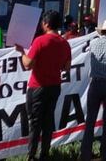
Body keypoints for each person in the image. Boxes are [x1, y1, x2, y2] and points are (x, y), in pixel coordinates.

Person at [16, 11, 71, 161]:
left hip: (37, 87)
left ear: (46, 24)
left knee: (35, 123)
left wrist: (21, 52)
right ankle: (45, 154)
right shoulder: (64, 43)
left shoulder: (40, 41)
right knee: (48, 122)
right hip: (54, 87)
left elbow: (28, 64)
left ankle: (31, 155)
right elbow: (66, 67)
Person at [82, 19, 106, 161]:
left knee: (90, 120)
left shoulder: (93, 43)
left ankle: (85, 154)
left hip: (95, 84)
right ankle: (105, 154)